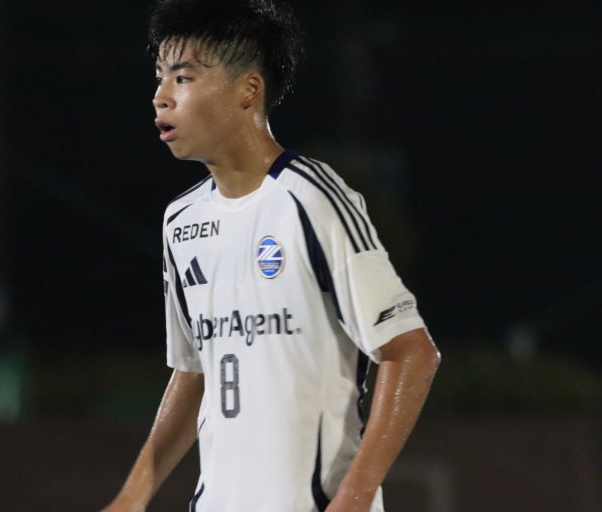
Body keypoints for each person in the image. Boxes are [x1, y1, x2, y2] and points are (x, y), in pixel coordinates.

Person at [102, 1, 440, 511]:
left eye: (183, 77)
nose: (161, 96)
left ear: (248, 90)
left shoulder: (312, 198)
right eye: (159, 78)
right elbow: (195, 370)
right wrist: (132, 496)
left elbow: (411, 353)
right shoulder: (181, 222)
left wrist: (355, 496)